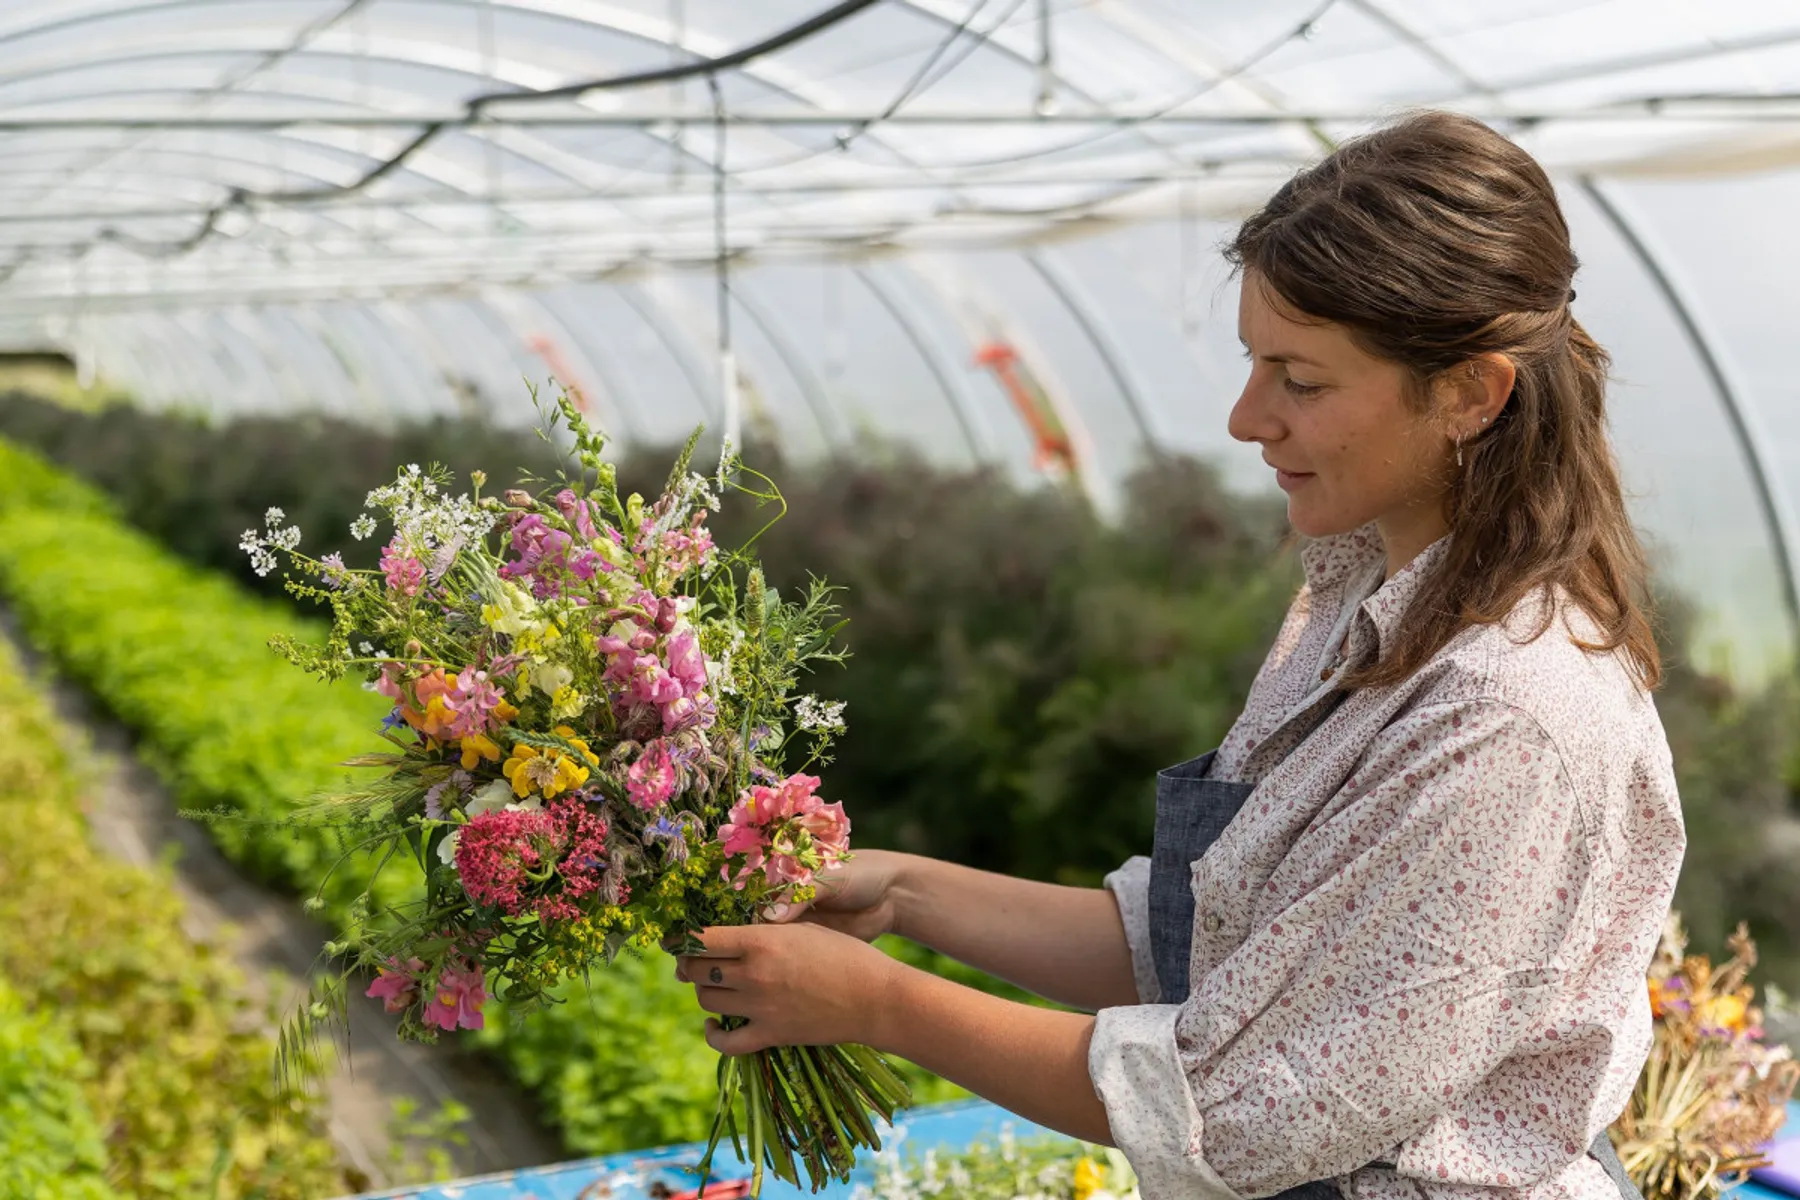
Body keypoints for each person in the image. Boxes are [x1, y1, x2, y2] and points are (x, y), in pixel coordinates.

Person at [675, 110, 1685, 1200]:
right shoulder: (1365, 602)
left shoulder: (1507, 719)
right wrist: (905, 895)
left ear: (1470, 394)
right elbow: (1210, 940)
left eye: (1301, 381)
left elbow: (1236, 1111)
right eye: (1255, 364)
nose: (1249, 419)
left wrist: (877, 1003)